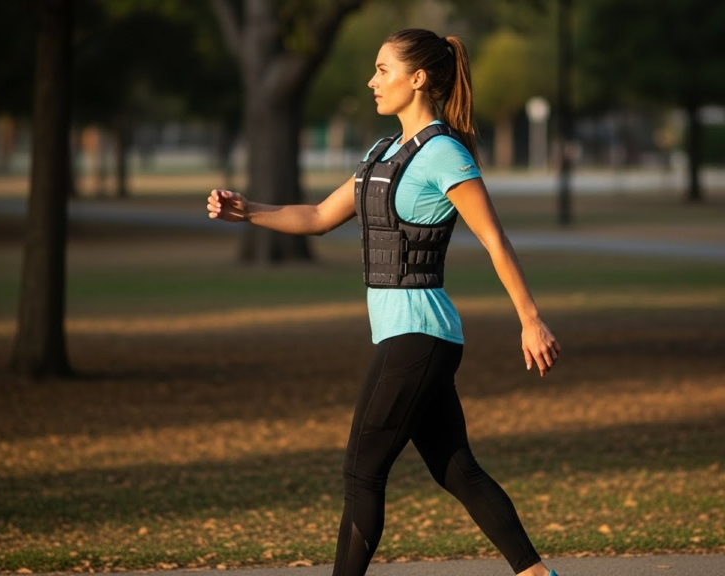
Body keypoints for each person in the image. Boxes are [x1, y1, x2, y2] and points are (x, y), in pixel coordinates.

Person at [206, 28, 561, 576]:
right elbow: (318, 217)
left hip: (419, 336)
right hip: (409, 337)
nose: (372, 81)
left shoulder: (444, 154)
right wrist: (248, 209)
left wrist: (530, 320)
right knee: (457, 470)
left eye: (382, 70)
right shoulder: (382, 153)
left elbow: (495, 239)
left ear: (417, 79)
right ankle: (538, 575)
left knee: (362, 473)